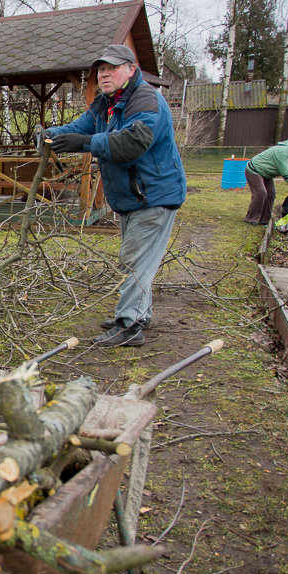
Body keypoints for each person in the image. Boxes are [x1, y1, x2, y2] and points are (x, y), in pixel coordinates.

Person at [43, 44, 186, 348]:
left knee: (134, 261)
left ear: (131, 69)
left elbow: (132, 143)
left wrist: (85, 142)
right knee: (140, 260)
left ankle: (129, 325)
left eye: (113, 68)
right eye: (101, 70)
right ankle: (138, 314)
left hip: (153, 196)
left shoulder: (146, 100)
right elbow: (79, 128)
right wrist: (50, 134)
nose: (105, 74)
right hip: (133, 197)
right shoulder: (106, 103)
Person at [243, 138, 288, 225]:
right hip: (254, 170)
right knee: (261, 193)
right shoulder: (283, 151)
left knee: (271, 194)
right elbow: (284, 170)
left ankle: (264, 220)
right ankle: (251, 218)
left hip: (267, 173)